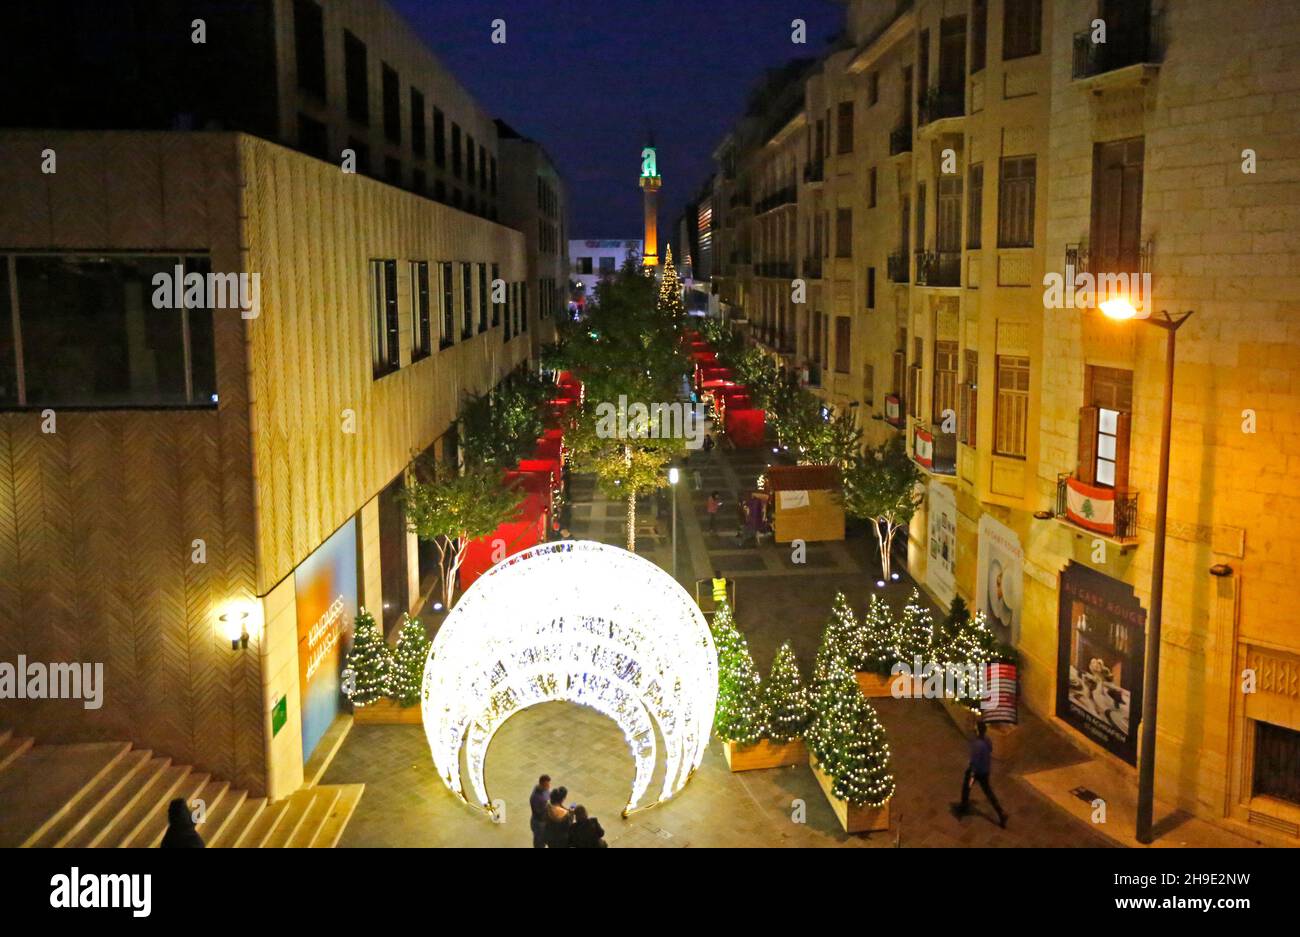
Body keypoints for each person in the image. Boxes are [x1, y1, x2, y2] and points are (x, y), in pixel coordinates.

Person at [958, 721, 1008, 828]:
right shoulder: (987, 740)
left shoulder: (977, 744)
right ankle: (1000, 812)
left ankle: (963, 806)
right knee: (988, 792)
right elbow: (990, 749)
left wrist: (972, 773)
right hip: (985, 770)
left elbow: (975, 761)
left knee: (966, 786)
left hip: (977, 771)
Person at [529, 774, 552, 849]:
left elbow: (548, 798)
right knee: (539, 843)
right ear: (542, 784)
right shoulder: (536, 798)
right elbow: (539, 813)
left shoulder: (543, 790)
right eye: (547, 785)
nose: (549, 786)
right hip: (539, 823)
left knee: (542, 841)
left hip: (542, 821)